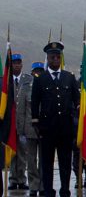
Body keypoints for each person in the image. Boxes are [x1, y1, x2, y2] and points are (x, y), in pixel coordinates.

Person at [31, 42, 80, 197]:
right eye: (52, 57)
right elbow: (35, 102)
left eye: (58, 57)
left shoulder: (69, 77)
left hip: (65, 128)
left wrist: (77, 120)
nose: (55, 60)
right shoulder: (40, 79)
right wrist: (36, 123)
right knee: (47, 162)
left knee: (65, 161)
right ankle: (48, 191)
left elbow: (77, 100)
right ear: (47, 58)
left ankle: (65, 190)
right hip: (47, 128)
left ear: (61, 58)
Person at [23, 62, 45, 196]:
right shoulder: (26, 88)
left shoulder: (48, 86)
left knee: (44, 159)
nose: (38, 74)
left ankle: (42, 185)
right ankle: (33, 185)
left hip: (44, 129)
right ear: (32, 73)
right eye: (36, 71)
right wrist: (21, 130)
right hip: (30, 129)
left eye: (40, 71)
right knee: (31, 160)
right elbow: (21, 111)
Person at [9, 53, 30, 191]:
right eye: (14, 63)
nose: (16, 65)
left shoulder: (28, 79)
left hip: (23, 123)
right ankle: (12, 179)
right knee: (11, 152)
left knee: (22, 153)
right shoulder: (5, 81)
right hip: (10, 124)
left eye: (18, 63)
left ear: (22, 64)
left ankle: (22, 179)